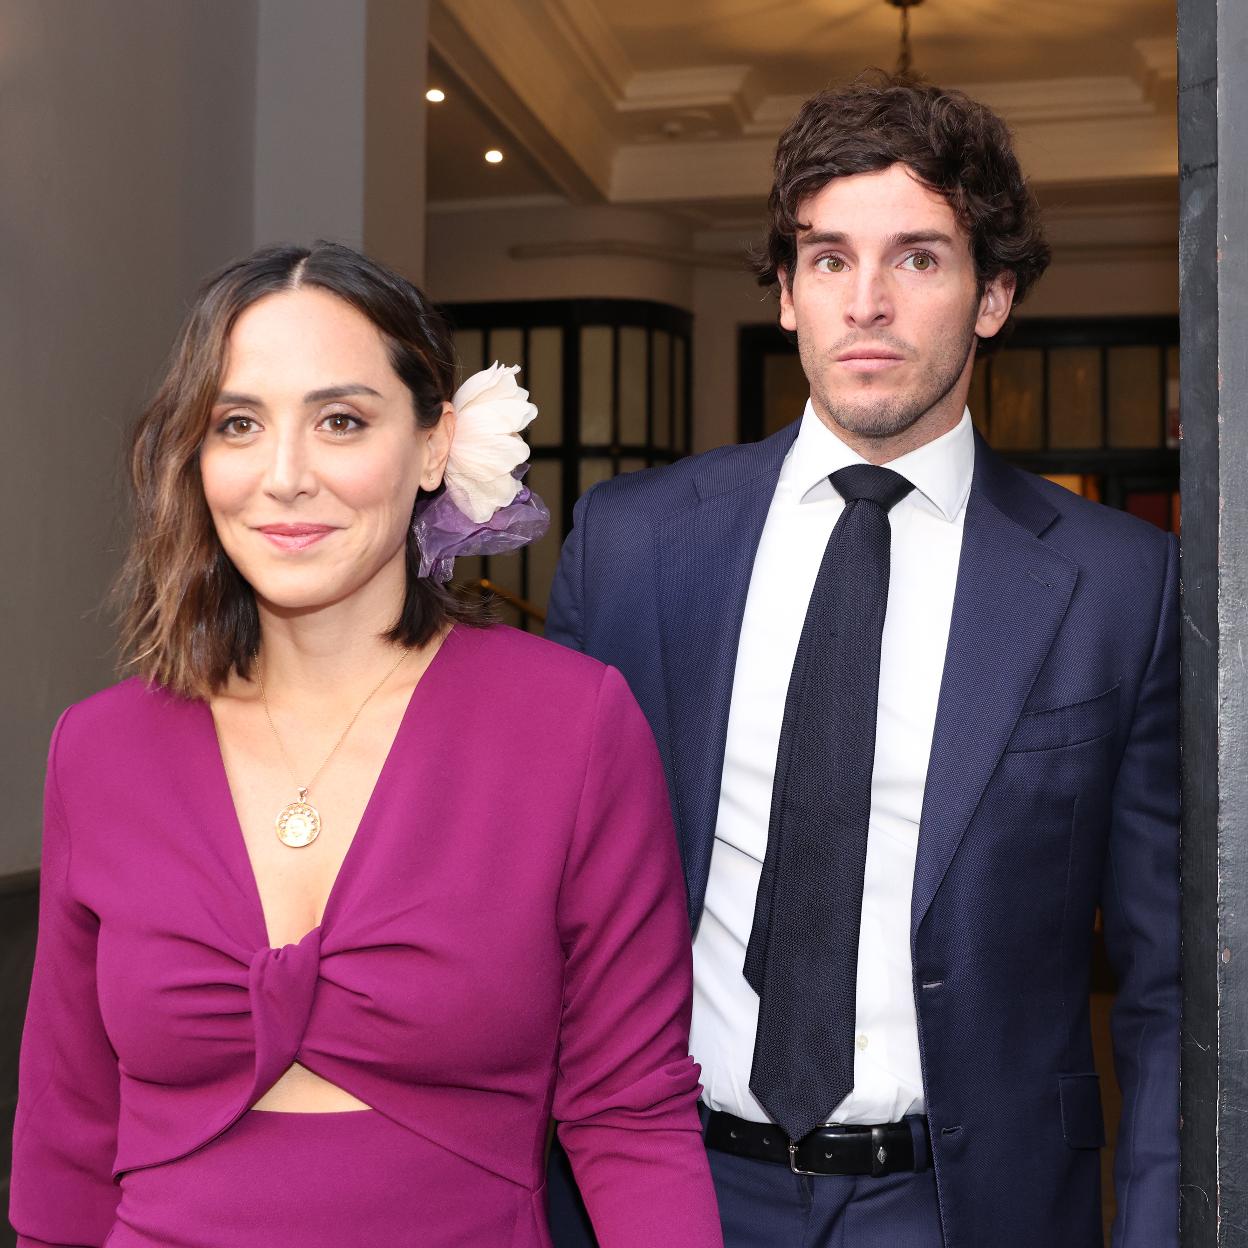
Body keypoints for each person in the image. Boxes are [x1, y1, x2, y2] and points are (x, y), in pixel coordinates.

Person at [545, 76, 1178, 1248]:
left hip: (964, 1205)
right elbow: (534, 912)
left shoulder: (1118, 586)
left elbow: (1166, 983)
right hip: (667, 1189)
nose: (867, 303)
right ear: (786, 293)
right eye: (829, 259)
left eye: (919, 259)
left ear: (993, 296)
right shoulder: (631, 548)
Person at [10, 241, 724, 1248]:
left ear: (433, 446)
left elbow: (630, 1114)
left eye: (341, 421)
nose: (285, 477)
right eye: (239, 424)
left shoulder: (570, 726)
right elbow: (66, 1136)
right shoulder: (101, 750)